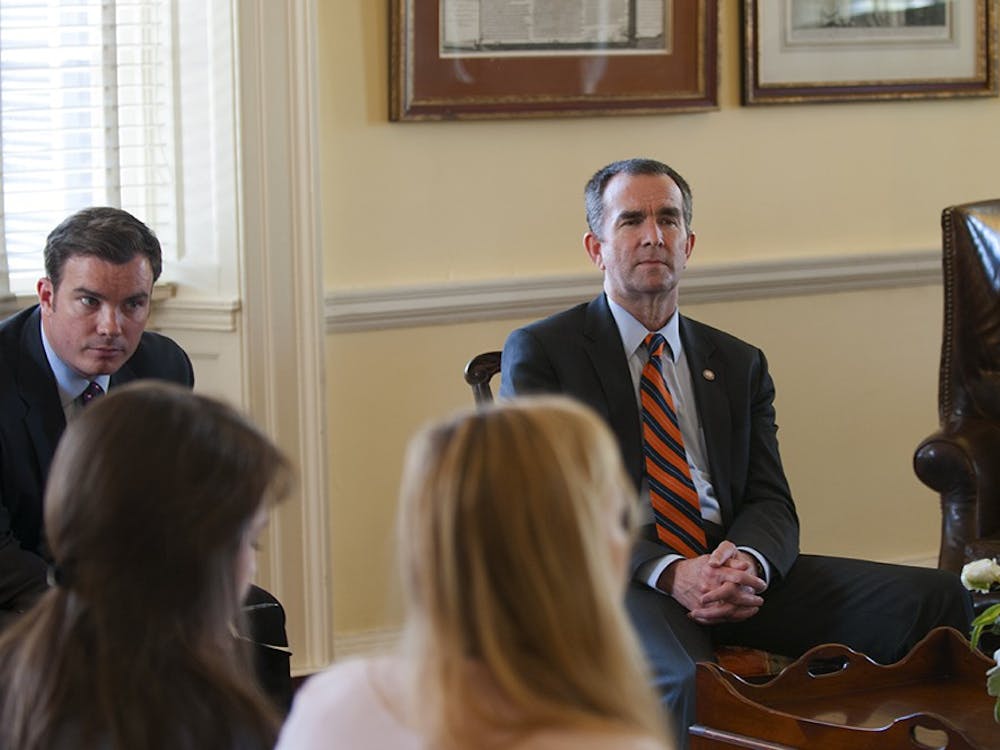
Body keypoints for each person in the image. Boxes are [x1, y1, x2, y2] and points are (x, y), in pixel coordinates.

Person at [500, 158, 973, 748]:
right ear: (596, 248)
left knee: (939, 603)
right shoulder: (545, 352)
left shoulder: (737, 361)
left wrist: (746, 561)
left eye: (668, 219)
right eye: (631, 221)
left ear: (688, 243)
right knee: (690, 683)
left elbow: (770, 499)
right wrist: (672, 572)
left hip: (731, 571)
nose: (653, 235)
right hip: (619, 577)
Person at [0, 206, 293, 708]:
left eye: (133, 304)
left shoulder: (163, 364)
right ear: (47, 296)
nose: (112, 327)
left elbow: (174, 507)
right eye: (88, 302)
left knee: (256, 618)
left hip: (128, 586)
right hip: (21, 593)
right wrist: (97, 612)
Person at [277, 397, 673, 750]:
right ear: (579, 555)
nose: (626, 540)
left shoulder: (338, 702)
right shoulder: (613, 742)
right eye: (620, 519)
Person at [0, 381, 292, 749]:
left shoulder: (21, 672)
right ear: (188, 551)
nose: (251, 568)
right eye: (251, 542)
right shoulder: (213, 722)